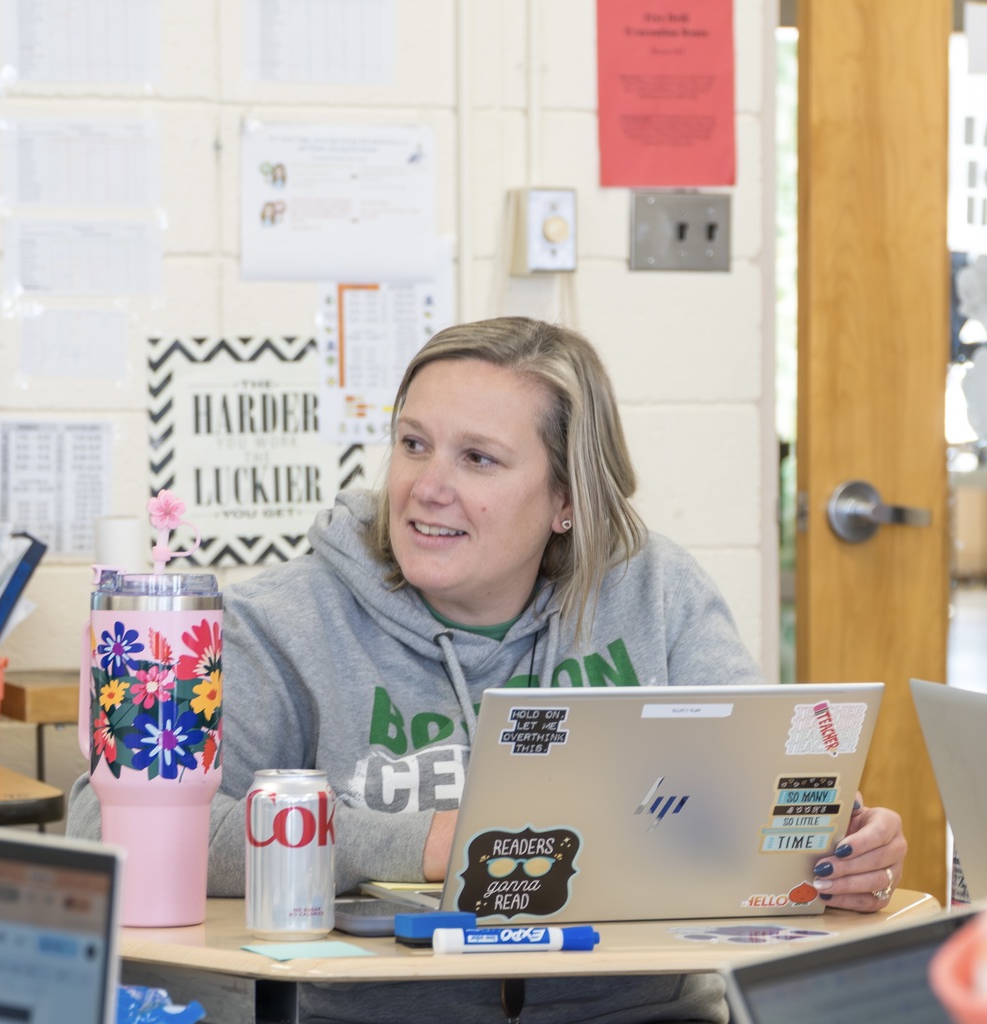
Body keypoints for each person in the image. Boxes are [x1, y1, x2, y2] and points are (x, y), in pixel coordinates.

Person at [68, 316, 907, 1023]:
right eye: (413, 444)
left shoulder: (654, 593)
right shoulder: (284, 620)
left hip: (645, 1014)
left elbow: (762, 783)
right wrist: (430, 841)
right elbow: (102, 830)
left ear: (567, 500)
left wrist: (841, 838)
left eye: (479, 459)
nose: (428, 486)